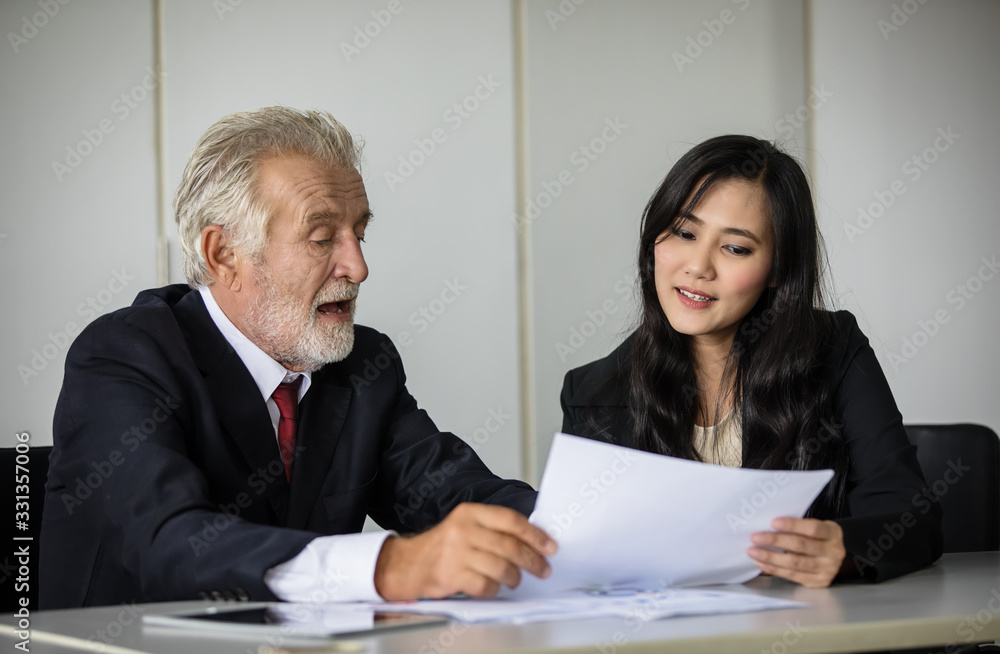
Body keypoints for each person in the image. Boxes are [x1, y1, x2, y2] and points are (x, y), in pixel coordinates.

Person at [39, 107, 556, 609]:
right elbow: (170, 540)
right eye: (322, 238)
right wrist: (387, 566)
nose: (358, 266)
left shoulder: (362, 364)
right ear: (225, 255)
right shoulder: (122, 357)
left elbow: (453, 492)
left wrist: (572, 528)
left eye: (360, 233)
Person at [560, 135, 942, 587]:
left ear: (778, 268)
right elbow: (583, 555)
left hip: (807, 640)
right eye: (685, 232)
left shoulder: (834, 351)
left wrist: (846, 549)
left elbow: (912, 518)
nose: (698, 266)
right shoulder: (594, 392)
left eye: (735, 248)